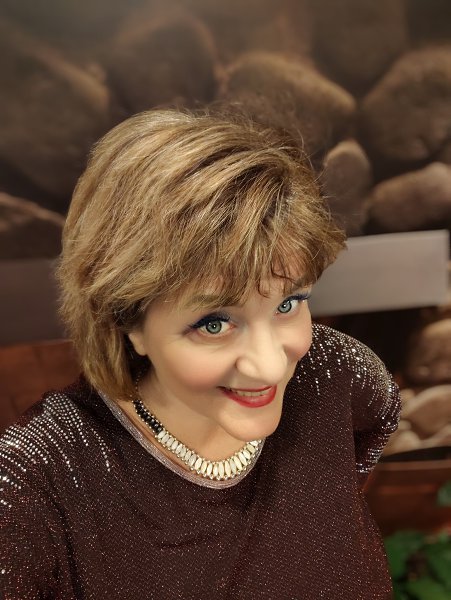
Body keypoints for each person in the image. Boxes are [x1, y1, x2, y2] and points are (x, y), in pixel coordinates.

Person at [0, 109, 400, 599]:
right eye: (214, 324)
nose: (271, 365)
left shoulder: (338, 376)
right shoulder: (35, 482)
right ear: (126, 320)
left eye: (288, 304)